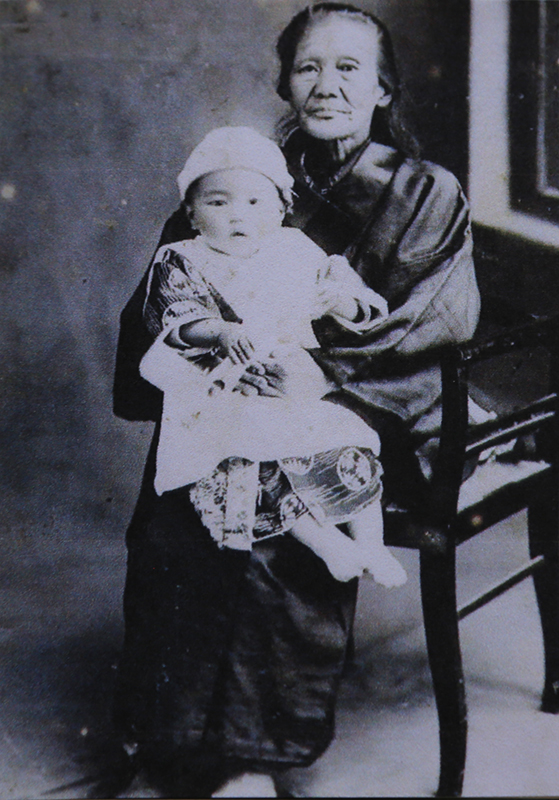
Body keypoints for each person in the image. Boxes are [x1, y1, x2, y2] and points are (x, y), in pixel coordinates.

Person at [109, 4, 480, 798]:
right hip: (230, 401)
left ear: (383, 89)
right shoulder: (243, 174)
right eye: (308, 67)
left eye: (348, 68)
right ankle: (169, 748)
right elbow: (168, 291)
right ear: (285, 83)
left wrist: (316, 380)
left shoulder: (425, 191)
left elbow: (430, 320)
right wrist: (213, 355)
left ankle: (251, 756)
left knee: (276, 525)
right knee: (175, 517)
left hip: (362, 408)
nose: (325, 85)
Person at [140, 125, 406, 588]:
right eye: (217, 202)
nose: (236, 217)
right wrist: (218, 331)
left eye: (254, 202)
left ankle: (371, 544)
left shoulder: (293, 249)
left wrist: (339, 302)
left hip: (288, 387)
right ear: (191, 212)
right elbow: (175, 316)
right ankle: (329, 545)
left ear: (283, 208)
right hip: (222, 390)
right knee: (254, 464)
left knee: (345, 438)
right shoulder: (182, 257)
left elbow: (353, 301)